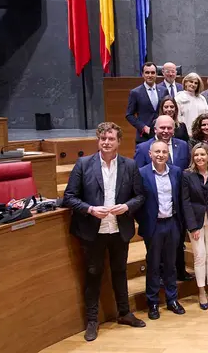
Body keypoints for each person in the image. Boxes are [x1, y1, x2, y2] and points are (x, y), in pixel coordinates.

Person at [63, 122, 146, 342]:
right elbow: (69, 197)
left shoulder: (130, 165)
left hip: (119, 229)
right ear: (98, 140)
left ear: (118, 142)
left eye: (111, 139)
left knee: (120, 271)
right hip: (93, 231)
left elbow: (140, 196)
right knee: (94, 273)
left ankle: (124, 313)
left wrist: (126, 206)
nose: (106, 142)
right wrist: (90, 209)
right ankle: (92, 320)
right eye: (103, 139)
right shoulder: (83, 164)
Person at [137, 140, 186, 320]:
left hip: (172, 223)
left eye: (164, 152)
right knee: (153, 265)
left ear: (168, 154)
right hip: (153, 225)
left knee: (171, 264)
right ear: (150, 154)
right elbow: (138, 201)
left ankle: (172, 299)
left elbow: (180, 198)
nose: (160, 155)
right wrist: (144, 221)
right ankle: (153, 302)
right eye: (157, 152)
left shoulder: (176, 172)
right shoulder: (141, 173)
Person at [182, 143, 208, 310]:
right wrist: (192, 227)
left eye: (202, 154)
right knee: (199, 256)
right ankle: (201, 291)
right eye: (196, 155)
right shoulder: (187, 175)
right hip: (195, 222)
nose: (199, 158)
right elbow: (185, 202)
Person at [126, 62, 167, 143]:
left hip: (162, 134)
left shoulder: (164, 90)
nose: (150, 75)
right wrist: (143, 127)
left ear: (156, 74)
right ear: (143, 74)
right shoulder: (135, 92)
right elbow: (129, 115)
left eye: (152, 73)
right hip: (144, 136)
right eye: (147, 72)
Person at [175, 72, 208, 137]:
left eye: (196, 83)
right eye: (191, 82)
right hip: (185, 134)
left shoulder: (202, 98)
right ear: (186, 82)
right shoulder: (179, 97)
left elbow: (207, 116)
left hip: (201, 134)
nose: (193, 84)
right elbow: (177, 118)